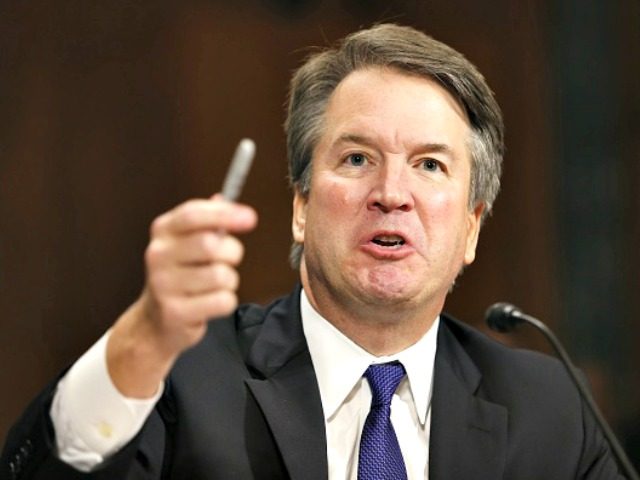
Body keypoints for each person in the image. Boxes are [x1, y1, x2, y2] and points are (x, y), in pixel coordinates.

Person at [0, 23, 624, 480]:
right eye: (357, 159)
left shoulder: (549, 411)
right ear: (301, 208)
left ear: (471, 229)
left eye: (429, 165)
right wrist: (141, 340)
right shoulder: (184, 380)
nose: (391, 194)